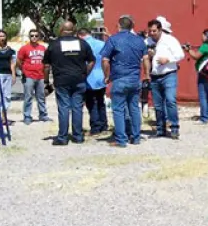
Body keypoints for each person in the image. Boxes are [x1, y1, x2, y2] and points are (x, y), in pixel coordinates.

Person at [43, 21, 95, 146]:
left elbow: (46, 65)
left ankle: (62, 137)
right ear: (74, 30)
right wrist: (85, 74)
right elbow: (92, 61)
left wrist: (46, 81)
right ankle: (78, 136)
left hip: (61, 80)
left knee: (64, 108)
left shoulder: (54, 45)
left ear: (61, 29)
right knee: (77, 108)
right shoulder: (83, 43)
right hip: (79, 79)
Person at [100, 16, 149, 147]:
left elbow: (105, 60)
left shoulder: (113, 40)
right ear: (132, 26)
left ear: (119, 25)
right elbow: (146, 59)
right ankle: (136, 137)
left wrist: (106, 76)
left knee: (118, 109)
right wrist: (147, 74)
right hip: (134, 78)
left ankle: (121, 139)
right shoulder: (140, 41)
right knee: (134, 108)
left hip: (119, 78)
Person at [147, 18, 184, 139]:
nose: (152, 33)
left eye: (154, 31)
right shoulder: (147, 41)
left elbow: (180, 55)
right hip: (154, 76)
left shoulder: (170, 40)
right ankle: (160, 129)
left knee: (170, 100)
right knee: (157, 105)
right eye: (150, 31)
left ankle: (174, 127)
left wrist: (168, 59)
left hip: (169, 74)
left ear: (160, 30)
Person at [78, 28, 108, 135]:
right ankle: (104, 125)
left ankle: (95, 126)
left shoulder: (82, 45)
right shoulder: (102, 43)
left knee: (91, 102)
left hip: (89, 75)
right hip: (102, 75)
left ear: (80, 35)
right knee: (101, 101)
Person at [16, 29, 50, 125]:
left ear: (39, 37)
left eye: (36, 35)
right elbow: (18, 60)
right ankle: (27, 116)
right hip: (29, 75)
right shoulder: (24, 48)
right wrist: (23, 70)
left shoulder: (43, 48)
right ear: (29, 37)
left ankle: (43, 115)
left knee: (41, 97)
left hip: (41, 76)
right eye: (32, 35)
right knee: (28, 97)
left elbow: (46, 61)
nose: (34, 37)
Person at [184, 29, 208, 124]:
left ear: (206, 36)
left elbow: (195, 56)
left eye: (202, 35)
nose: (201, 37)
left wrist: (188, 50)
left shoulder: (205, 46)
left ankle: (204, 118)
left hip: (203, 73)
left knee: (203, 96)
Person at [0, 29, 16, 119]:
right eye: (0, 36)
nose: (2, 38)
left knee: (7, 96)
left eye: (3, 36)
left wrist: (13, 74)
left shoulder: (9, 50)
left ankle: (4, 115)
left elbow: (12, 63)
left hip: (8, 74)